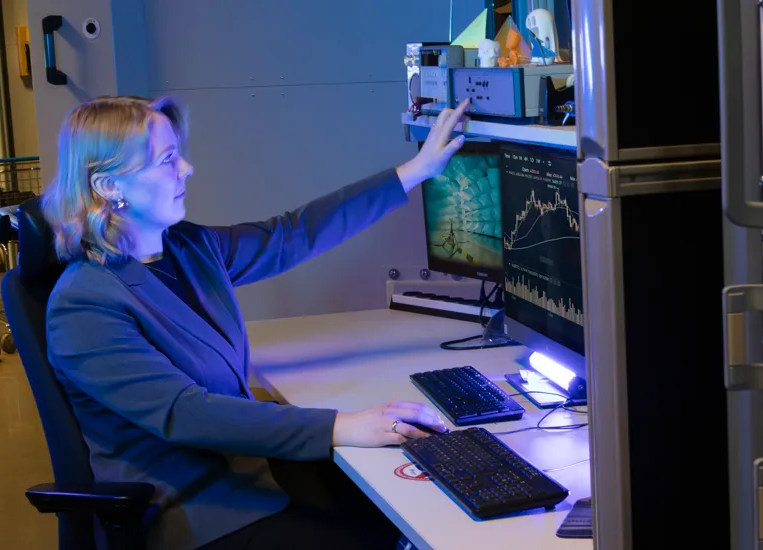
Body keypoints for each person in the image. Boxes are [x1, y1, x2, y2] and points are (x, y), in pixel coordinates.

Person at [40, 95, 473, 550]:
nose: (187, 168)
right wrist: (339, 425)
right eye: (167, 160)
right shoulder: (83, 304)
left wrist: (417, 170)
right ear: (109, 186)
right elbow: (184, 412)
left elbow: (292, 235)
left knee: (398, 513)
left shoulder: (187, 249)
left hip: (252, 472)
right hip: (194, 513)